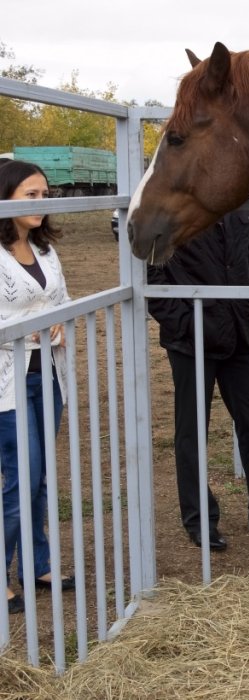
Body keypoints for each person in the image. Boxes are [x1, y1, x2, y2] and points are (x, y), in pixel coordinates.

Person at [147, 209, 249, 550]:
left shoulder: (239, 208)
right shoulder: (173, 206)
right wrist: (186, 324)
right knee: (192, 430)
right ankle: (199, 518)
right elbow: (153, 279)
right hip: (191, 341)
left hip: (241, 332)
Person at [1, 160, 75, 615]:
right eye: (30, 195)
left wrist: (61, 322)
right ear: (5, 197)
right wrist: (24, 330)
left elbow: (62, 301)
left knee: (41, 476)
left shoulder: (46, 251)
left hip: (48, 375)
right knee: (22, 478)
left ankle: (37, 564)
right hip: (8, 382)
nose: (41, 203)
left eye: (45, 195)